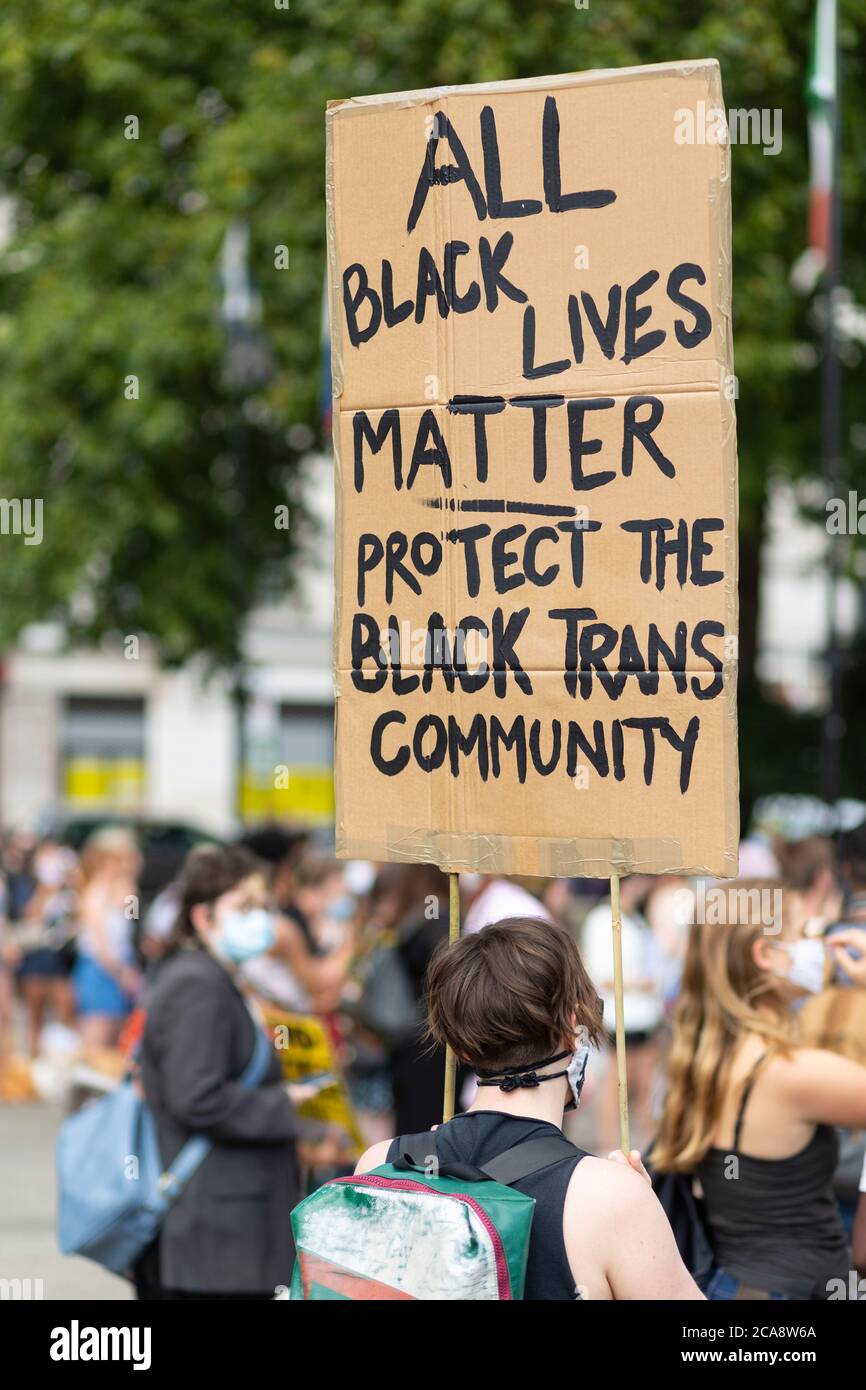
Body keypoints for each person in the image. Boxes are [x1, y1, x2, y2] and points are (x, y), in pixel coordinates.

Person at [355, 916, 702, 1300]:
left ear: (463, 1046)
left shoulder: (381, 1166)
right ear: (573, 1029)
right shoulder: (611, 1198)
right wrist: (637, 1208)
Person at [652, 881, 866, 1300]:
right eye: (805, 933)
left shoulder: (714, 1053)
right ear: (765, 954)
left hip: (738, 1285)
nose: (820, 947)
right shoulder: (789, 1073)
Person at [133, 845, 302, 1300]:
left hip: (223, 1234)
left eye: (265, 906)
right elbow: (196, 1097)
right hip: (214, 1235)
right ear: (203, 917)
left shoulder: (214, 976)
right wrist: (288, 1106)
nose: (261, 918)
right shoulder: (198, 984)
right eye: (245, 906)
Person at [581, 876, 665, 1147]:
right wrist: (642, 983)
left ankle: (649, 1152)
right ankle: (609, 1147)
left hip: (645, 1016)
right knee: (616, 1086)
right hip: (621, 1017)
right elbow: (600, 975)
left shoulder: (636, 919)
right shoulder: (601, 919)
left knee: (645, 1088)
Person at [71, 827, 143, 1047]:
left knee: (119, 1040)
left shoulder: (125, 889)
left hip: (121, 967)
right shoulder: (96, 891)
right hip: (100, 969)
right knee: (97, 1039)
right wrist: (121, 973)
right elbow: (99, 942)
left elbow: (133, 920)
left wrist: (129, 887)